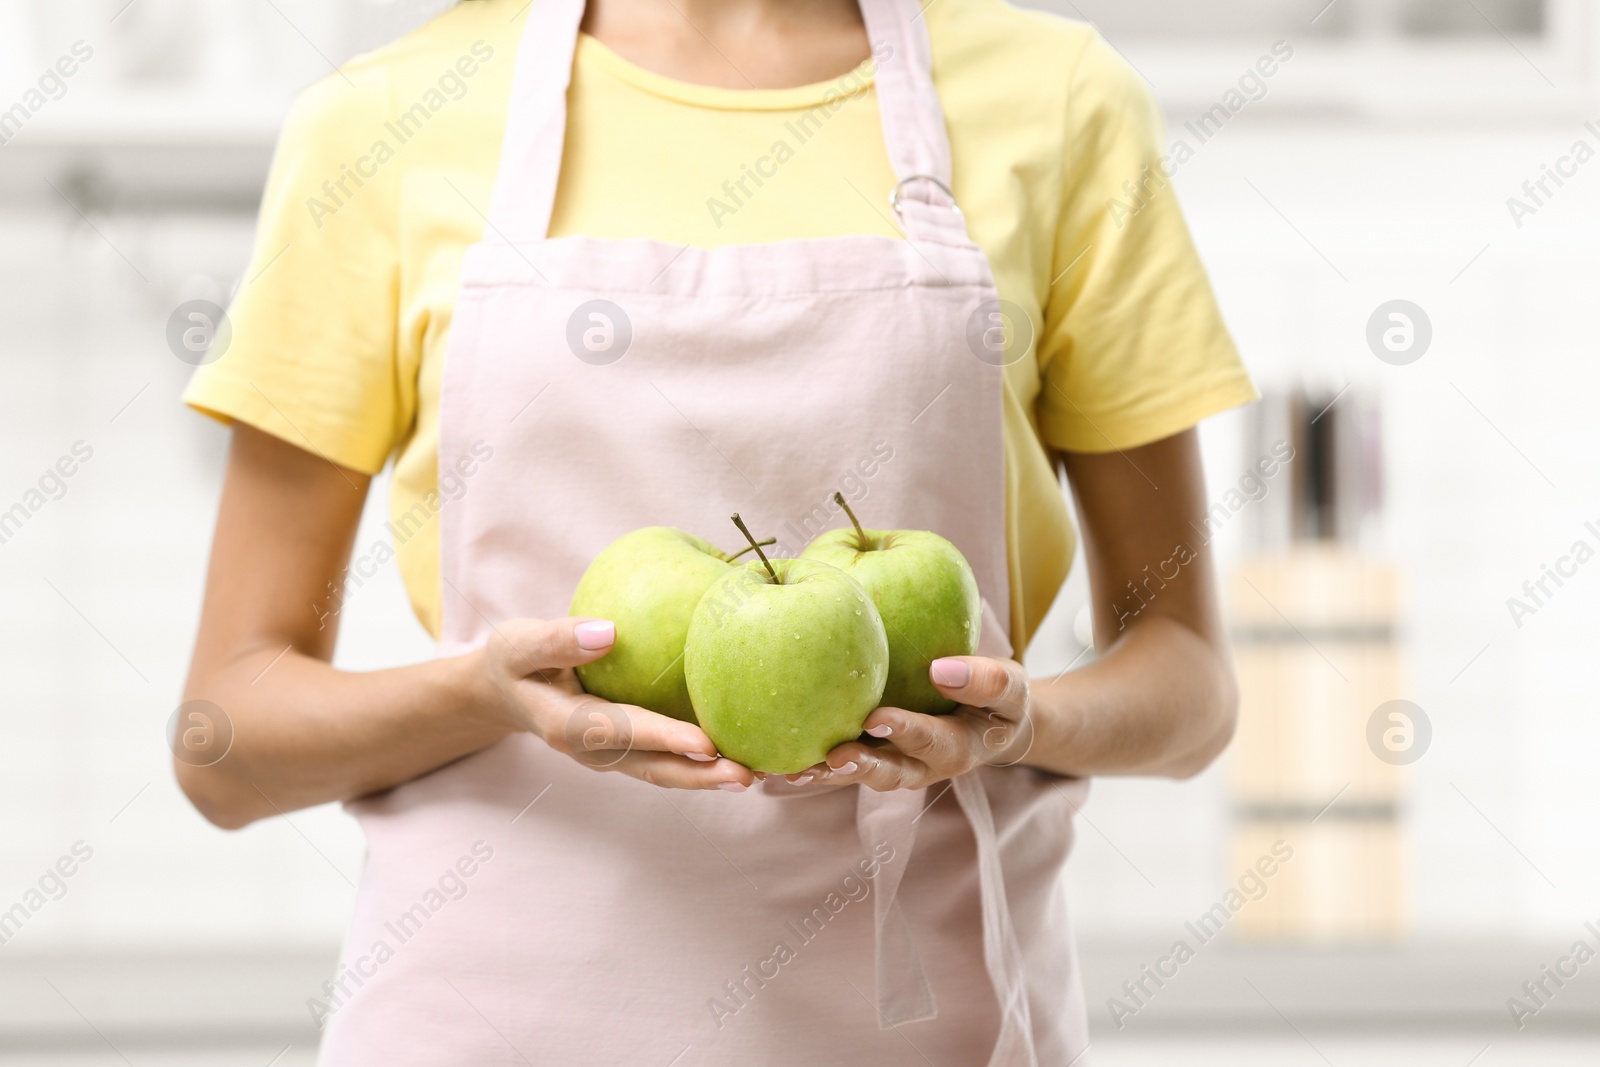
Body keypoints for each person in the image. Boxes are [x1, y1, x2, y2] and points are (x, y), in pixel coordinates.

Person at [177, 0, 1256, 1062]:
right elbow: (222, 743)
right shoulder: (385, 117)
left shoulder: (1057, 100)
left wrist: (1022, 721)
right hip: (492, 1017)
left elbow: (1190, 688)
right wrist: (482, 694)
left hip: (926, 1025)